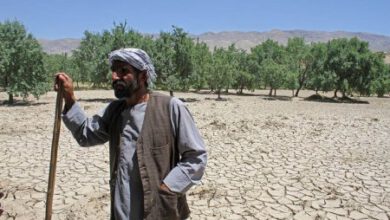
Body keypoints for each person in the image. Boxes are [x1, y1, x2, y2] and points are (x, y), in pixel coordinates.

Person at [55, 48, 207, 220]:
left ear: (142, 76)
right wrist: (69, 98)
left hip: (161, 210)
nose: (115, 77)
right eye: (114, 71)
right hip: (123, 211)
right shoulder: (114, 111)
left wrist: (168, 188)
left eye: (123, 71)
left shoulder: (170, 107)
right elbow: (86, 134)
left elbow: (196, 157)